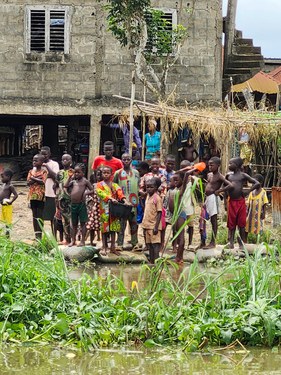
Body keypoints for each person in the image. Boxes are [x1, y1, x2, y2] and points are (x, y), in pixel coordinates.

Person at [225, 157, 260, 249]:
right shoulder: (228, 176)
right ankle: (231, 242)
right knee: (231, 224)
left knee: (241, 223)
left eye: (230, 164)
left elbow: (257, 183)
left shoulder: (243, 175)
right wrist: (225, 202)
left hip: (240, 202)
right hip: (231, 202)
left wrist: (248, 191)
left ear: (236, 166)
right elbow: (225, 188)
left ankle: (241, 243)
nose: (229, 165)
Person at [199, 157, 232, 248]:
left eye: (212, 165)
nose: (210, 166)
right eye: (209, 165)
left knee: (214, 220)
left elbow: (230, 185)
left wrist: (220, 190)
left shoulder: (219, 176)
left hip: (213, 198)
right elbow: (208, 185)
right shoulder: (209, 175)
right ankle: (202, 241)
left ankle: (213, 242)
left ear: (218, 166)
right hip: (207, 198)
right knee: (202, 220)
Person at [96, 166, 126, 256]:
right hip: (104, 209)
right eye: (104, 173)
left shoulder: (114, 185)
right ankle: (104, 246)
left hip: (114, 210)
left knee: (113, 228)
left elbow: (120, 192)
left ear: (111, 174)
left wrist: (124, 200)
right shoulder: (99, 185)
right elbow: (100, 193)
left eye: (107, 173)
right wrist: (110, 198)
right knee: (104, 229)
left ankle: (113, 247)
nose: (105, 174)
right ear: (101, 174)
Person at [113, 153, 140, 249]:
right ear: (121, 160)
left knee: (133, 223)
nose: (126, 161)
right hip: (122, 203)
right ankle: (120, 244)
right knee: (121, 224)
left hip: (133, 203)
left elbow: (138, 185)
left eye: (128, 159)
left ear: (131, 160)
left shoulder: (136, 173)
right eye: (124, 159)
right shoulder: (118, 173)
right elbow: (114, 186)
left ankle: (134, 243)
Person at [64, 164, 94, 247]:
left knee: (83, 223)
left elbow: (92, 190)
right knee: (74, 224)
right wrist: (70, 177)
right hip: (73, 205)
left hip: (81, 205)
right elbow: (65, 186)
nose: (76, 174)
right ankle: (73, 240)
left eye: (78, 172)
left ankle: (82, 241)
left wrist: (86, 193)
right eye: (75, 172)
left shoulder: (85, 181)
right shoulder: (73, 181)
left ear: (83, 173)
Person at [142, 177, 163, 264]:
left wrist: (156, 227)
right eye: (147, 187)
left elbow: (159, 213)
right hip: (147, 225)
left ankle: (156, 263)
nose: (149, 189)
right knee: (149, 245)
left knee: (155, 245)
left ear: (156, 188)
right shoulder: (147, 196)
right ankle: (151, 262)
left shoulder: (157, 198)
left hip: (154, 226)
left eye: (151, 187)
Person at [27, 154, 48, 240]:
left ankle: (40, 235)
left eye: (36, 160)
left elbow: (42, 182)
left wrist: (33, 178)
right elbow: (28, 182)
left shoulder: (44, 171)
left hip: (40, 197)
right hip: (32, 196)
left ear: (42, 162)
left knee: (40, 215)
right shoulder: (31, 171)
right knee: (34, 216)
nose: (34, 162)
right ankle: (36, 235)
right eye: (33, 160)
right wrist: (36, 178)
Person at [56, 154, 74, 244]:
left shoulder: (74, 172)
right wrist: (57, 197)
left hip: (71, 198)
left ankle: (73, 239)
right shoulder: (59, 173)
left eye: (67, 159)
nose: (65, 161)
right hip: (62, 198)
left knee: (72, 219)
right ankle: (67, 239)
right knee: (64, 219)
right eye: (63, 159)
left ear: (71, 161)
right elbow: (57, 185)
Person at [40, 146, 60, 233]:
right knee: (41, 216)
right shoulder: (37, 163)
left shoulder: (54, 164)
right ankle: (40, 235)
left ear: (49, 154)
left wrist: (47, 167)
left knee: (53, 216)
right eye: (42, 154)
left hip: (51, 193)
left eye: (46, 154)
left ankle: (54, 235)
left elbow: (56, 177)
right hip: (41, 194)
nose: (44, 156)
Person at [245, 174, 268, 241]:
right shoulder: (251, 192)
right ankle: (245, 240)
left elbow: (265, 203)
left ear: (260, 183)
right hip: (250, 214)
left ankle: (259, 241)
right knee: (247, 226)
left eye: (255, 181)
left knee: (258, 227)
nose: (253, 183)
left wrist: (264, 213)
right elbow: (248, 203)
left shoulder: (263, 192)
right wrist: (247, 211)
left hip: (258, 214)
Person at [0, 169, 18, 237]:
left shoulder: (10, 186)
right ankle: (5, 234)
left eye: (2, 177)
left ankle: (8, 235)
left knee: (8, 221)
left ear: (8, 176)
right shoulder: (3, 185)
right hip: (3, 205)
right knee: (4, 220)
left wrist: (11, 201)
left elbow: (16, 195)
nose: (1, 179)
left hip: (7, 206)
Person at [86, 171, 102, 246]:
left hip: (103, 208)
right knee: (92, 225)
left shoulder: (107, 184)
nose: (99, 176)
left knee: (104, 226)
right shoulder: (94, 185)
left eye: (100, 175)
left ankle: (104, 243)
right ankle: (91, 241)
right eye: (97, 175)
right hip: (95, 208)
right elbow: (90, 193)